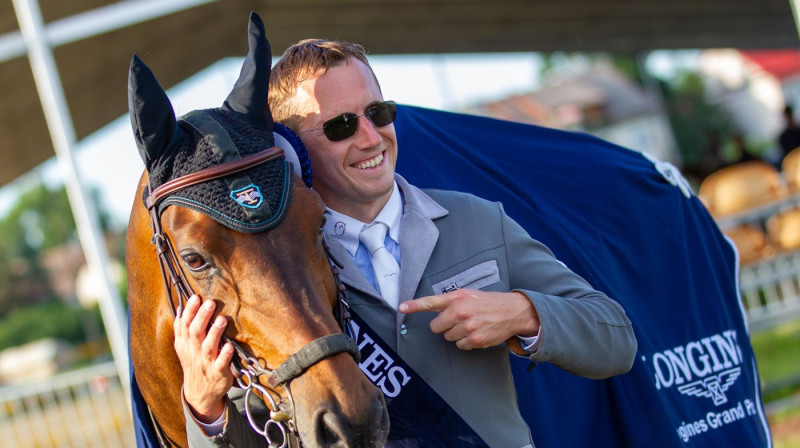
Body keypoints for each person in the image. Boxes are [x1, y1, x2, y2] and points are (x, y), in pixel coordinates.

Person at [176, 38, 638, 448]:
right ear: (293, 151)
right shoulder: (277, 274)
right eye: (341, 126)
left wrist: (523, 313)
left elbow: (616, 340)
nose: (371, 137)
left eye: (378, 113)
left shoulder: (477, 219)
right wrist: (206, 411)